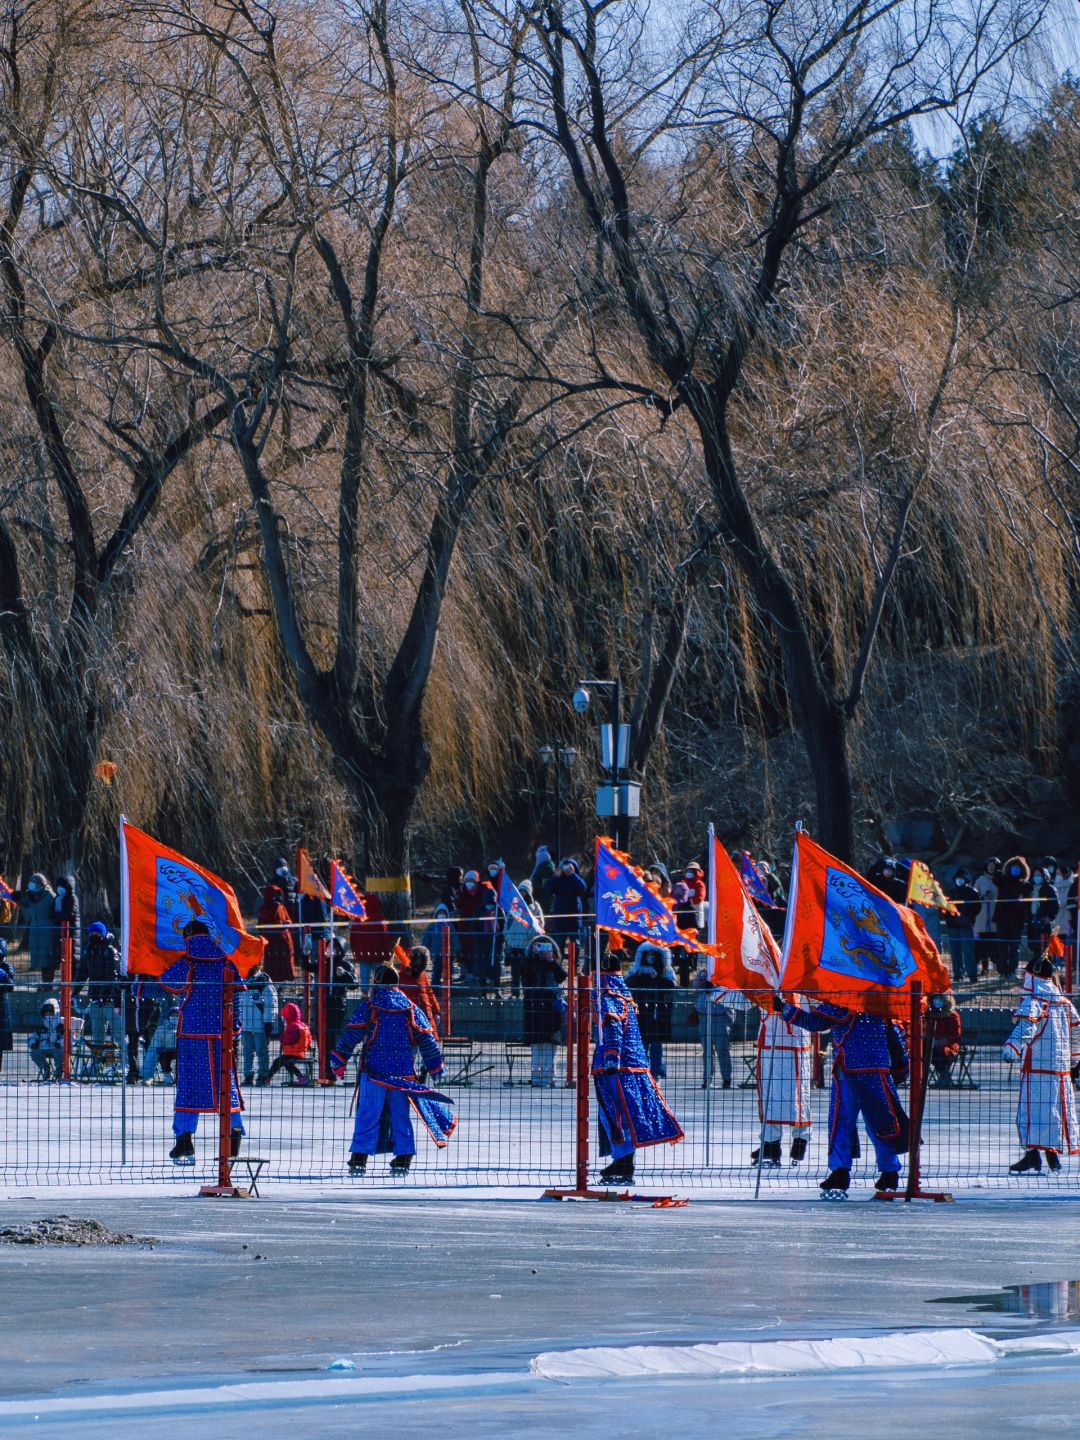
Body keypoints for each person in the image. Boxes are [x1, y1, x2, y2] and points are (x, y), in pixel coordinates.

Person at [777, 995, 909, 1198]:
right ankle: (888, 1172)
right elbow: (894, 1035)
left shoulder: (843, 998)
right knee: (881, 1122)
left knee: (843, 1121)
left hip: (850, 1071)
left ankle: (841, 1171)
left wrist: (785, 1010)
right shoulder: (880, 1001)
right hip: (877, 1071)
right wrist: (901, 1063)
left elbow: (815, 1022)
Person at [331, 964, 456, 1175]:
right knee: (400, 1116)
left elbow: (350, 1036)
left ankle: (359, 1157)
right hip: (403, 1075)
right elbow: (427, 1039)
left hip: (374, 1073)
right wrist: (435, 1067)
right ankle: (403, 1157)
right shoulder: (410, 1008)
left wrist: (339, 1060)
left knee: (368, 1114)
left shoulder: (370, 1007)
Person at [592, 948, 684, 1185]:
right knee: (621, 1113)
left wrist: (612, 1057)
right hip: (631, 1066)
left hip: (617, 1068)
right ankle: (622, 1160)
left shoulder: (608, 994)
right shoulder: (623, 991)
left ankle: (623, 1162)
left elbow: (612, 1026)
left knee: (614, 1114)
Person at [160, 921, 245, 1166]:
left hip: (192, 1036)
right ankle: (234, 1140)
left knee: (189, 1089)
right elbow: (237, 995)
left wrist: (138, 981)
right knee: (226, 1086)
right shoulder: (226, 963)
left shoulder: (188, 964)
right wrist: (235, 1027)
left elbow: (166, 983)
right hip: (222, 1034)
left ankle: (184, 1142)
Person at [1003, 956, 1080, 1174]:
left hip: (1037, 1067)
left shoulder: (1034, 1001)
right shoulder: (1065, 1003)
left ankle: (1034, 1155)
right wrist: (1074, 1060)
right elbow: (1076, 1033)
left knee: (1029, 1114)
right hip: (1060, 1069)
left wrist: (1012, 1047)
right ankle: (1048, 1157)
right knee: (1052, 1113)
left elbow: (1027, 1027)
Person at [753, 990, 813, 1165]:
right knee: (770, 1096)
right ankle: (770, 1145)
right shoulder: (764, 978)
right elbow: (745, 996)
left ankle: (800, 1142)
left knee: (798, 1095)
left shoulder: (803, 979)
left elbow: (816, 1009)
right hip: (771, 1044)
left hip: (796, 1042)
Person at [521, 934, 566, 1087]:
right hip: (534, 1008)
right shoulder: (529, 964)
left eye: (546, 948)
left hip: (551, 1009)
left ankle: (549, 1076)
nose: (542, 950)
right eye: (539, 947)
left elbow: (561, 976)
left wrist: (551, 961)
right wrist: (532, 957)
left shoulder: (553, 964)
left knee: (550, 1044)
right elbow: (525, 976)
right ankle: (536, 1076)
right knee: (536, 1045)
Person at [626, 943, 676, 1079]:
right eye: (647, 954)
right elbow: (627, 983)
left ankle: (656, 1069)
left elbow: (671, 986)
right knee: (641, 1041)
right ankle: (641, 1068)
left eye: (653, 954)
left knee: (656, 1041)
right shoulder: (636, 967)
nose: (650, 957)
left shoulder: (666, 970)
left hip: (658, 1010)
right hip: (640, 1009)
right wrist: (638, 975)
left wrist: (657, 978)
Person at [75, 921, 123, 1050]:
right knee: (97, 1035)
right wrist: (75, 991)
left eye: (97, 934)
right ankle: (97, 1064)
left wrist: (105, 996)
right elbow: (82, 972)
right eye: (92, 934)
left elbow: (112, 977)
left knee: (118, 1033)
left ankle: (124, 1062)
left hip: (110, 999)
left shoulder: (110, 952)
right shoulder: (89, 951)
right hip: (95, 998)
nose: (94, 937)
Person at [691, 969, 735, 1090]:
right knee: (707, 1051)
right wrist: (704, 979)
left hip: (720, 1017)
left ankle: (726, 1079)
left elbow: (729, 993)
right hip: (704, 1016)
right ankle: (707, 1079)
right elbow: (695, 988)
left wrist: (715, 983)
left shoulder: (725, 973)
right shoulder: (704, 974)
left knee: (722, 1050)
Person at [456, 870, 499, 992]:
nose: (469, 884)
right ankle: (469, 972)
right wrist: (462, 893)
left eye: (471, 882)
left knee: (479, 951)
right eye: (467, 882)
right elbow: (458, 904)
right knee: (466, 950)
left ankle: (482, 975)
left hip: (480, 927)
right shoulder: (462, 893)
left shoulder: (483, 892)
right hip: (465, 927)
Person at [502, 879, 544, 998]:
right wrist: (509, 939)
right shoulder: (513, 908)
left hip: (528, 946)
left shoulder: (535, 907)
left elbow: (540, 925)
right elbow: (507, 927)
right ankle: (515, 994)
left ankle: (528, 995)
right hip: (515, 945)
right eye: (520, 892)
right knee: (515, 974)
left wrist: (531, 934)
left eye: (525, 892)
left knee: (528, 974)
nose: (522, 894)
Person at [237, 965, 278, 1086]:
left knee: (261, 1051)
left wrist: (268, 1022)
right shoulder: (242, 980)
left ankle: (263, 1076)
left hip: (260, 1023)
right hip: (245, 1023)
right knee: (247, 1051)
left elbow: (271, 1004)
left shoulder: (263, 982)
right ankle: (248, 1076)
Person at [348, 891, 395, 993]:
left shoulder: (357, 920)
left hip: (363, 956)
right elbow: (385, 939)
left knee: (364, 980)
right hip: (378, 956)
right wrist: (387, 954)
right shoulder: (379, 920)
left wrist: (355, 952)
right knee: (380, 980)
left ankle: (364, 999)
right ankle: (380, 998)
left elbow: (352, 938)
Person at [993, 856, 1031, 978]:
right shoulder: (1003, 880)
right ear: (1009, 868)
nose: (1015, 869)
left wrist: (1023, 901)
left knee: (1014, 947)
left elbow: (1027, 903)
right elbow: (996, 878)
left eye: (1018, 867)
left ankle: (1012, 970)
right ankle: (1002, 971)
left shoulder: (1025, 885)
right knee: (1002, 946)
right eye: (1013, 867)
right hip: (1002, 918)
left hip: (1017, 919)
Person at [18, 874, 58, 986]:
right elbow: (23, 903)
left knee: (48, 959)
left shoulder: (50, 896)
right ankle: (45, 983)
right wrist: (14, 897)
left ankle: (48, 984)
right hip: (35, 931)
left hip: (48, 932)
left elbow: (56, 912)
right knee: (41, 959)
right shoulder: (31, 897)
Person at [944, 870, 981, 985]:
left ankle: (972, 974)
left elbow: (977, 907)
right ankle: (957, 974)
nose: (959, 880)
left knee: (968, 951)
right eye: (957, 878)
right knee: (955, 952)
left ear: (966, 880)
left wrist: (968, 919)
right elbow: (944, 909)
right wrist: (951, 919)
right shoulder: (950, 892)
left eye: (961, 878)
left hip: (966, 926)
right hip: (952, 926)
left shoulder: (972, 892)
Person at [264, 1001, 312, 1085]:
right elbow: (309, 1039)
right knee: (284, 1062)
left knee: (279, 1062)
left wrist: (282, 1038)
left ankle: (268, 1078)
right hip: (301, 1052)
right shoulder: (303, 1025)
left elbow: (291, 1040)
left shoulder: (293, 1026)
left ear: (288, 1016)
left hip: (293, 1053)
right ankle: (300, 1077)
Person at [546, 858, 587, 955]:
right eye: (565, 867)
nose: (566, 870)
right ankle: (558, 965)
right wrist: (556, 876)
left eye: (569, 867)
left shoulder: (575, 879)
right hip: (560, 917)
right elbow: (549, 889)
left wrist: (573, 874)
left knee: (575, 943)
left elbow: (583, 888)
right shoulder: (558, 880)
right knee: (559, 943)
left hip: (573, 917)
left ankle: (575, 966)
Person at [257, 883, 296, 985]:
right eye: (274, 895)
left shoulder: (281, 907)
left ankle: (281, 987)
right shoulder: (264, 909)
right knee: (272, 970)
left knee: (283, 969)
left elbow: (288, 920)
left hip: (283, 943)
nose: (276, 897)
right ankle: (273, 987)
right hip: (271, 945)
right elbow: (262, 923)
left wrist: (287, 924)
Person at [399, 946, 441, 1034]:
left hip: (425, 1012)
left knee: (428, 1041)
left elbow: (430, 993)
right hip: (407, 1014)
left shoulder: (423, 975)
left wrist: (436, 1011)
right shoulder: (400, 976)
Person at [421, 904, 460, 988]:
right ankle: (435, 989)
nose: (441, 915)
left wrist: (456, 949)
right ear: (436, 914)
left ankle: (448, 988)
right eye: (440, 913)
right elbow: (427, 939)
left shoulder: (450, 926)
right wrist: (424, 949)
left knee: (448, 972)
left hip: (448, 954)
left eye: (443, 913)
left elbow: (454, 938)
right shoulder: (432, 926)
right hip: (436, 953)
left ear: (446, 915)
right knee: (437, 971)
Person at [140, 1002, 180, 1084]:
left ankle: (180, 1078)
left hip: (181, 1052)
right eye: (173, 1015)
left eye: (177, 1016)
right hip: (167, 1051)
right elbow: (156, 1045)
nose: (174, 1017)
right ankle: (165, 1075)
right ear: (169, 1016)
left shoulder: (185, 1029)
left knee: (183, 1059)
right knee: (161, 1056)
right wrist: (160, 1048)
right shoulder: (162, 1028)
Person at [974, 858, 1000, 976]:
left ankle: (997, 965)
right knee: (983, 945)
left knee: (995, 944)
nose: (991, 867)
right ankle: (984, 968)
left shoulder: (1000, 880)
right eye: (989, 865)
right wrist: (983, 897)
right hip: (982, 918)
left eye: (993, 865)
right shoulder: (980, 880)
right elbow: (974, 896)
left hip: (995, 917)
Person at [930, 994, 962, 1087]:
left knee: (939, 1051)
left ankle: (944, 1075)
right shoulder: (933, 1014)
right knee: (923, 1049)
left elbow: (956, 1035)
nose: (936, 1001)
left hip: (949, 1045)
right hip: (933, 1043)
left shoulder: (953, 1015)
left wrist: (943, 1041)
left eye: (939, 999)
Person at [28, 998, 64, 1081]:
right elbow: (33, 1037)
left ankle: (59, 1070)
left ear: (55, 1013)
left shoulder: (60, 1026)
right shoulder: (42, 1026)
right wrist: (33, 1043)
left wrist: (59, 1043)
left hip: (55, 1048)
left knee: (60, 1052)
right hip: (43, 1048)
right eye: (46, 1013)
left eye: (51, 1012)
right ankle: (45, 1068)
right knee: (34, 1053)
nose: (48, 1015)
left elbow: (66, 1039)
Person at [0, 939, 13, 1076]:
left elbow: (11, 986)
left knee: (1, 1044)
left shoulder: (6, 967)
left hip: (1, 1007)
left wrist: (4, 977)